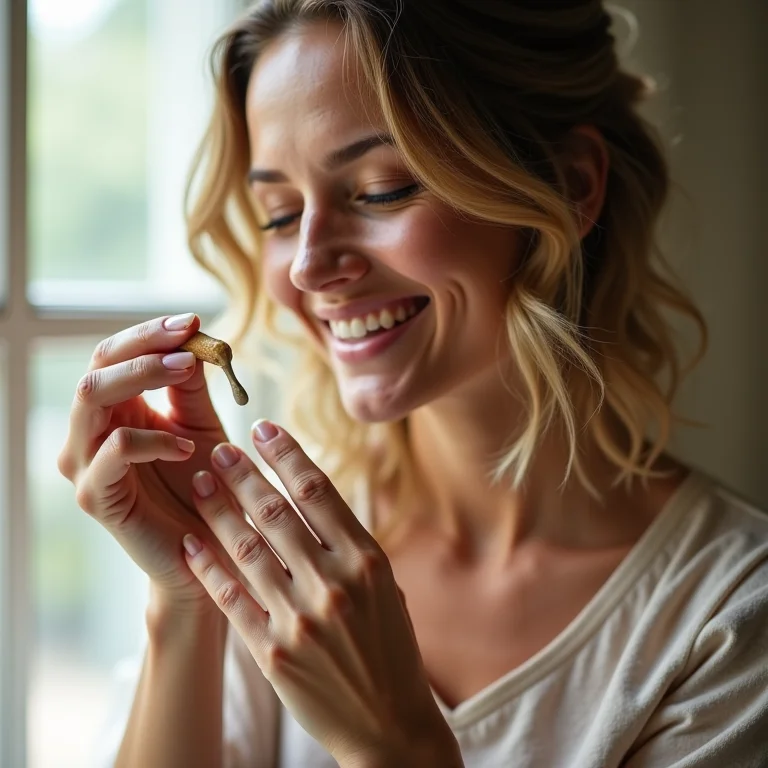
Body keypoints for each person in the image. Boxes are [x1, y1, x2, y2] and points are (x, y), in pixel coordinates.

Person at [57, 1, 768, 766]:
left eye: (382, 189)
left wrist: (395, 744)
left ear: (569, 183)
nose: (306, 265)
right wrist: (191, 595)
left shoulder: (729, 620)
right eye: (280, 213)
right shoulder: (270, 553)